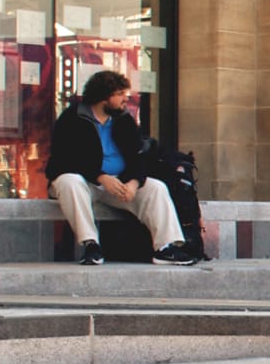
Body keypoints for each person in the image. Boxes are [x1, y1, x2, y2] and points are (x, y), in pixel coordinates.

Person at [45, 71, 197, 267]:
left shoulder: (123, 120)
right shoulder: (72, 118)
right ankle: (91, 245)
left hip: (118, 184)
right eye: (119, 94)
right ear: (103, 97)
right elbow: (62, 161)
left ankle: (166, 248)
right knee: (69, 181)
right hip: (86, 184)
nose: (126, 99)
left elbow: (139, 157)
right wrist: (101, 177)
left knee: (155, 187)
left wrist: (133, 183)